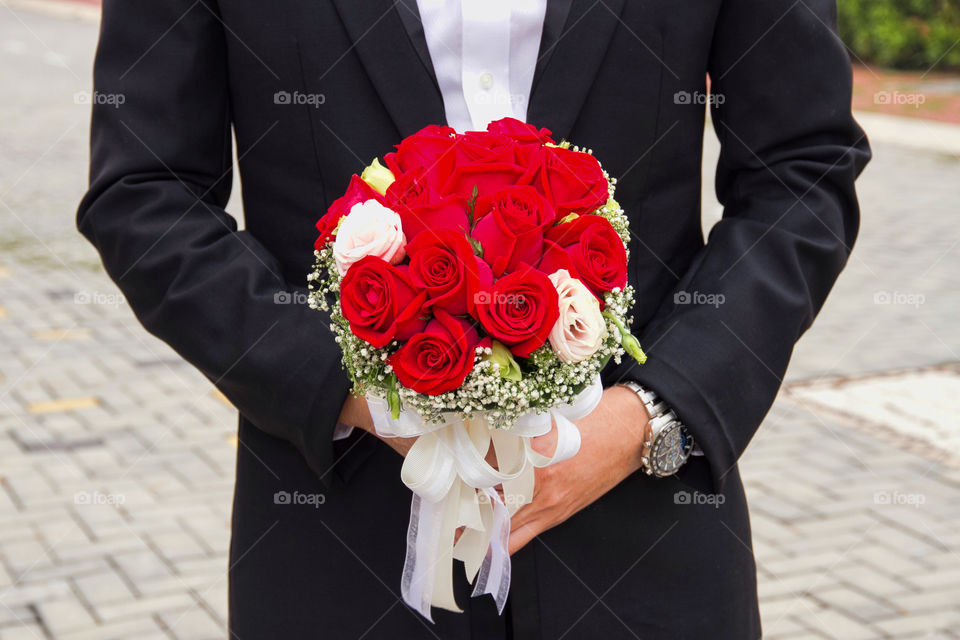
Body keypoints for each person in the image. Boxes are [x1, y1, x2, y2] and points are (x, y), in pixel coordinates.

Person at [77, 0, 870, 637]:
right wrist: (358, 390)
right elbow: (146, 193)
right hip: (341, 539)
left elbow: (801, 173)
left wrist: (649, 418)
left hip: (646, 531)